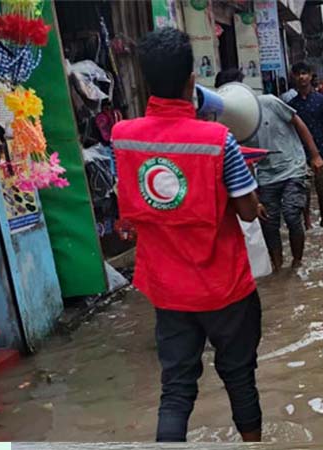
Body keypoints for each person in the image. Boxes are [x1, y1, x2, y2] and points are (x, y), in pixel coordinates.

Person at [112, 28, 262, 443]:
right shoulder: (219, 140)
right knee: (240, 381)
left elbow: (134, 204)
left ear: (144, 80)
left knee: (175, 390)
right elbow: (249, 212)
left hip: (167, 291)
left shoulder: (123, 137)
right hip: (225, 289)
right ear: (191, 80)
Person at [216, 71, 323, 270]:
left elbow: (297, 122)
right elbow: (243, 159)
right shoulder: (227, 122)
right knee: (269, 221)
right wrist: (253, 196)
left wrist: (315, 155)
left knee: (292, 215)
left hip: (292, 165)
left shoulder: (269, 102)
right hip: (265, 175)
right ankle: (277, 266)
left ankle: (297, 264)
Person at [288, 62, 323, 228]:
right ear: (293, 77)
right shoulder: (291, 105)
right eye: (298, 74)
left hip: (321, 152)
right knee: (304, 191)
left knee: (322, 190)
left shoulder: (321, 101)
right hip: (301, 155)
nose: (302, 77)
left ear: (310, 76)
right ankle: (307, 222)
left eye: (304, 73)